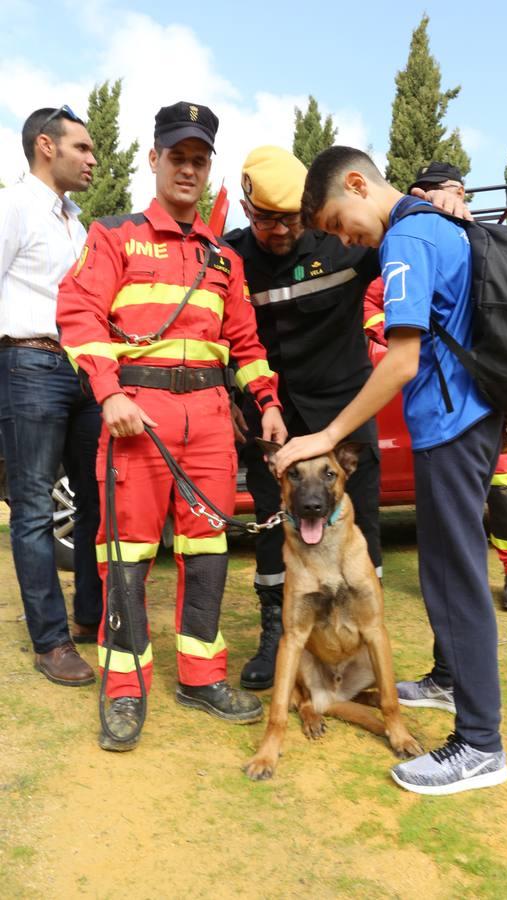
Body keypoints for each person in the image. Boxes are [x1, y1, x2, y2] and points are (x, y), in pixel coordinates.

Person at [275, 146, 507, 796]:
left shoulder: (408, 236)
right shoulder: (437, 223)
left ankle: (480, 745)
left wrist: (325, 433)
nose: (346, 240)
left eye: (339, 222)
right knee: (445, 565)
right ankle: (445, 680)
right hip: (470, 417)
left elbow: (402, 360)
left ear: (358, 184)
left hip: (452, 422)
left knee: (454, 577)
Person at [57, 102, 286, 751]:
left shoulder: (224, 259)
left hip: (212, 422)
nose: (187, 168)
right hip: (138, 418)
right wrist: (107, 394)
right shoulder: (114, 236)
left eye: (199, 159)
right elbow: (78, 315)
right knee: (126, 558)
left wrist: (266, 402)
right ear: (154, 159)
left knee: (208, 553)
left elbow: (245, 342)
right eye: (177, 156)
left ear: (207, 167)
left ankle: (200, 674)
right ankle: (125, 688)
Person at [224, 146, 383, 692]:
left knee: (361, 529)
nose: (277, 229)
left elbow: (401, 241)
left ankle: (366, 636)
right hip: (270, 421)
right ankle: (277, 630)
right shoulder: (228, 256)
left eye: (288, 217)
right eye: (265, 217)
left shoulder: (343, 242)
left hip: (343, 414)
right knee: (273, 528)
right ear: (247, 208)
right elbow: (217, 332)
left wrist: (439, 205)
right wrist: (228, 396)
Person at [0, 105, 102, 687]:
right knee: (35, 508)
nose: (92, 158)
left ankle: (91, 617)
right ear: (46, 146)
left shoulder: (77, 222)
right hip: (28, 361)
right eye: (82, 148)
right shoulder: (12, 205)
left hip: (84, 370)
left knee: (93, 500)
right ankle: (51, 640)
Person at [406, 162, 507, 611]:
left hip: (496, 385)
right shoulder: (414, 246)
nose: (460, 198)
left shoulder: (483, 242)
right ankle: (467, 591)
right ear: (423, 195)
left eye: (463, 190)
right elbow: (379, 309)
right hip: (451, 401)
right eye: (450, 190)